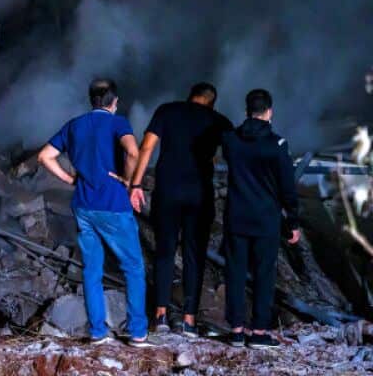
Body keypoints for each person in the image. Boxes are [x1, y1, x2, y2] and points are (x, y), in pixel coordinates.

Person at [38, 78, 150, 346]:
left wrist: (69, 179)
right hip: (113, 205)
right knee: (133, 268)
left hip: (83, 206)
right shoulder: (118, 122)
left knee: (92, 270)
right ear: (114, 102)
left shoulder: (74, 125)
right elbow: (133, 152)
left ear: (92, 100)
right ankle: (137, 332)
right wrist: (129, 181)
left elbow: (44, 156)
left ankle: (97, 331)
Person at [128, 82, 233, 337]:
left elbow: (147, 147)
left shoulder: (168, 111)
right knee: (193, 255)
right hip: (199, 196)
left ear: (189, 97)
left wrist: (137, 184)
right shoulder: (219, 121)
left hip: (168, 193)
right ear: (212, 102)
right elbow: (233, 156)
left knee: (164, 252)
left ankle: (161, 315)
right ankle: (189, 320)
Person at [220, 88, 300, 350]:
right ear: (270, 112)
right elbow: (288, 188)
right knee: (264, 274)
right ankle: (260, 331)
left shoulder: (230, 140)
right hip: (266, 220)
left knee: (235, 272)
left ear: (246, 111)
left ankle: (236, 330)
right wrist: (293, 222)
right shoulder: (277, 145)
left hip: (237, 217)